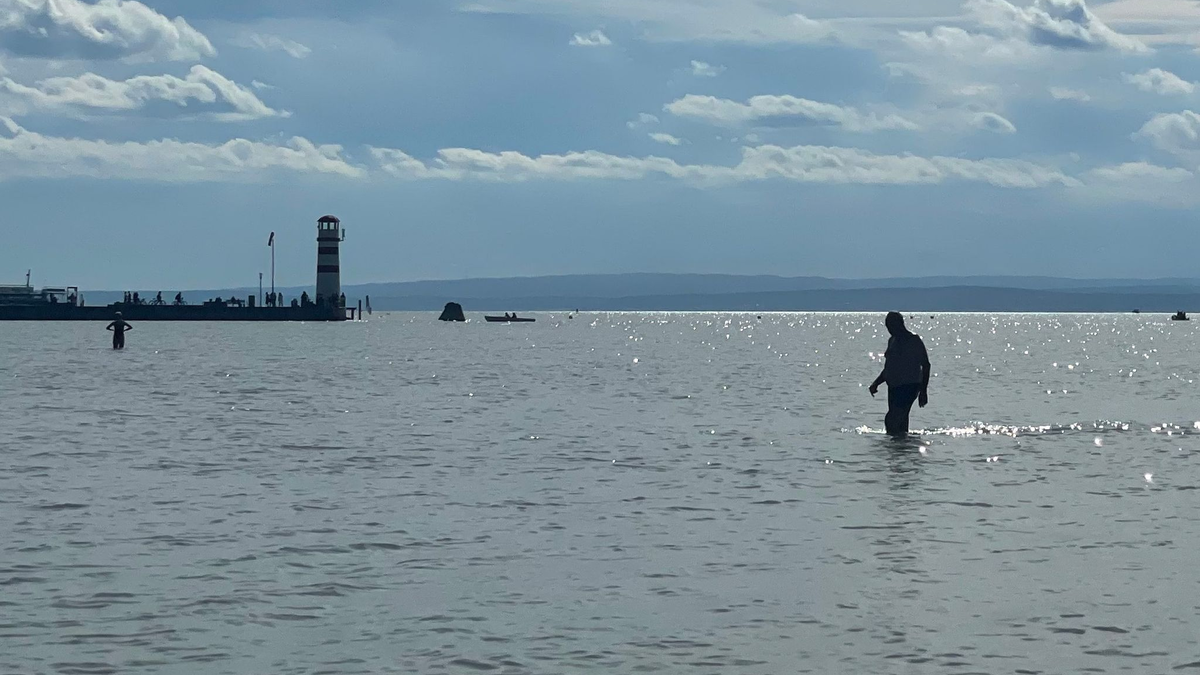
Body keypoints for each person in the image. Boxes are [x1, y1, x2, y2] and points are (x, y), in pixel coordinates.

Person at [868, 312, 931, 437]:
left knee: (892, 419)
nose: (890, 330)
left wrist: (923, 391)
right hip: (894, 386)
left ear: (899, 324)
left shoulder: (913, 340)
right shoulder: (892, 341)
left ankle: (894, 449)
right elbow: (889, 368)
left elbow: (926, 365)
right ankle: (902, 448)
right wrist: (876, 383)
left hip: (910, 386)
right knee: (900, 421)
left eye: (891, 326)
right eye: (888, 327)